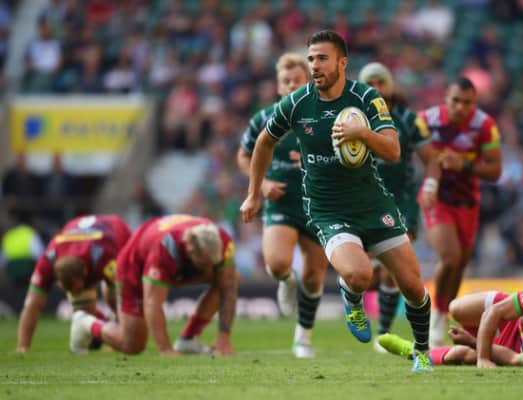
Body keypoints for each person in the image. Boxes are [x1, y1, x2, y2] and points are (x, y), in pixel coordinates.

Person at [240, 30, 433, 372]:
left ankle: (422, 352)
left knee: (414, 287)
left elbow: (393, 151)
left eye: (322, 58)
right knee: (359, 275)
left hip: (374, 205)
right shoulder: (297, 102)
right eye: (311, 59)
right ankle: (351, 295)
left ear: (342, 63)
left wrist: (362, 133)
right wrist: (254, 193)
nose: (314, 65)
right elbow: (263, 143)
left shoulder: (366, 97)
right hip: (328, 210)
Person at [237, 52, 328, 359]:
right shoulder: (263, 119)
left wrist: (317, 163)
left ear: (308, 84)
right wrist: (261, 185)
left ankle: (303, 338)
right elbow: (243, 156)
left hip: (317, 205)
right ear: (278, 87)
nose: (291, 86)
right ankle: (287, 281)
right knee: (276, 264)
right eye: (286, 81)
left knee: (314, 277)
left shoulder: (323, 117)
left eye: (297, 81)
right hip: (281, 203)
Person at [70, 214, 239, 356]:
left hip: (172, 263)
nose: (208, 269)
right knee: (132, 344)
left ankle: (188, 339)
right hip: (134, 266)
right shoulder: (164, 249)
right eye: (204, 264)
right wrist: (165, 349)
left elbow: (228, 287)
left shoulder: (222, 240)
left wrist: (224, 337)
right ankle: (84, 321)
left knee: (229, 278)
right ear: (189, 249)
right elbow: (153, 302)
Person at [357, 62, 439, 350]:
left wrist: (430, 185)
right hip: (364, 199)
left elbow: (431, 159)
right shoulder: (353, 117)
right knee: (364, 270)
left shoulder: (408, 119)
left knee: (393, 267)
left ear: (390, 85)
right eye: (370, 84)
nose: (376, 88)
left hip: (401, 201)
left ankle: (383, 332)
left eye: (381, 82)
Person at [418, 77, 503, 347]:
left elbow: (495, 170)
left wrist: (463, 166)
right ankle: (434, 316)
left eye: (467, 102)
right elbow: (408, 153)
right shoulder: (427, 121)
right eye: (456, 101)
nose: (460, 107)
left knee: (460, 265)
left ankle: (445, 313)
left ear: (474, 103)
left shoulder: (485, 126)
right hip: (437, 197)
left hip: (467, 202)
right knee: (450, 256)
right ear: (446, 97)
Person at [379, 283, 523, 368]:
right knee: (456, 308)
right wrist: (483, 358)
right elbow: (494, 312)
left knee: (464, 354)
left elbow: (512, 358)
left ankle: (414, 353)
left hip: (515, 340)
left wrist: (473, 343)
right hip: (512, 317)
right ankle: (479, 338)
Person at [16, 214, 131, 353]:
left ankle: (112, 330)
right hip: (82, 235)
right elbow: (32, 304)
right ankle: (99, 330)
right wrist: (23, 347)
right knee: (83, 308)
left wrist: (120, 334)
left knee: (113, 298)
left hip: (117, 232)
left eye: (78, 289)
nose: (76, 294)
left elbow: (123, 296)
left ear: (85, 273)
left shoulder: (104, 255)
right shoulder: (48, 260)